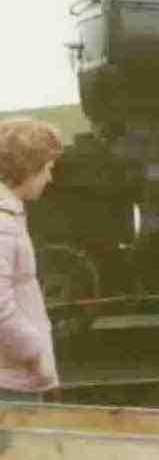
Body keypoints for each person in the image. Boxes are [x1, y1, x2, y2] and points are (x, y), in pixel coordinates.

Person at [0, 118, 63, 401]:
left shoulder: (11, 214)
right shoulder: (2, 223)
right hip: (10, 377)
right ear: (28, 167)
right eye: (48, 168)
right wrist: (35, 352)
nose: (49, 178)